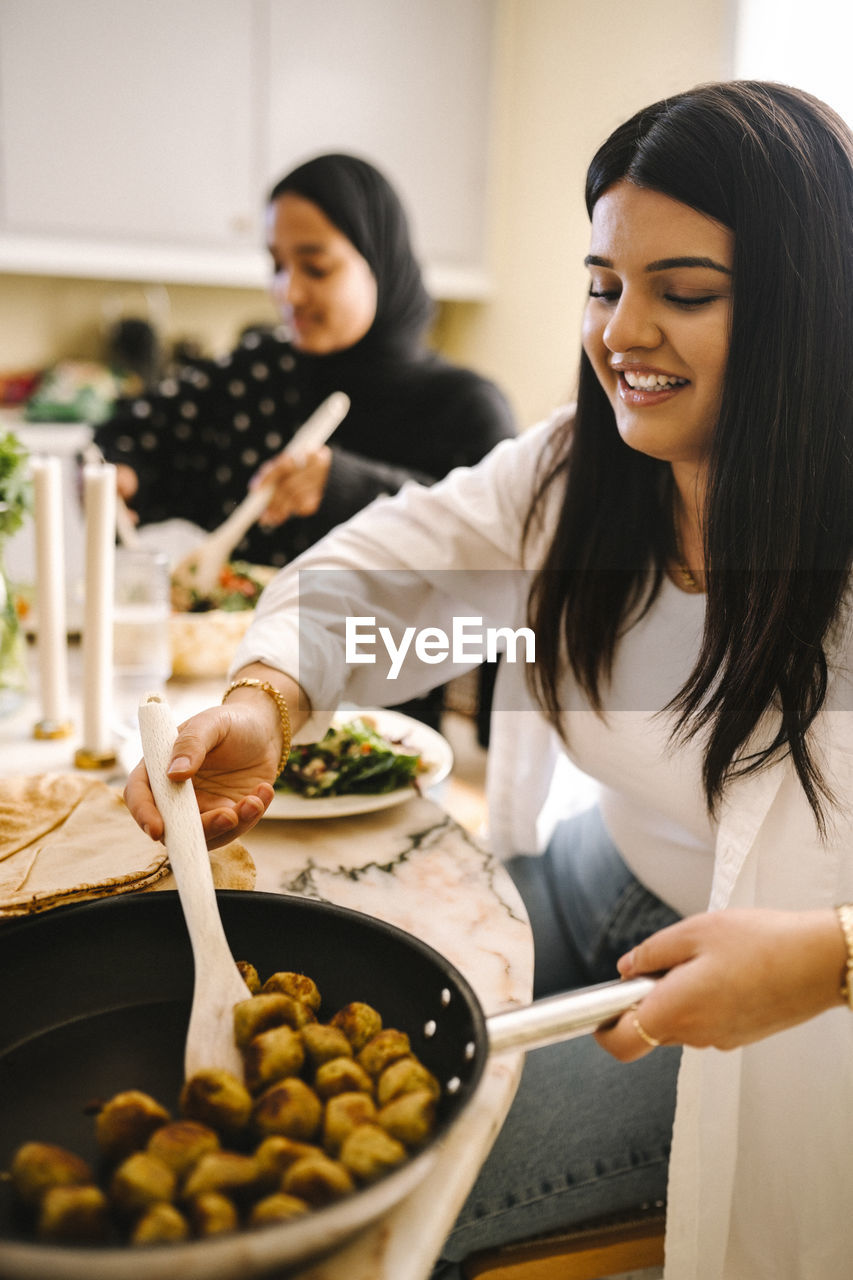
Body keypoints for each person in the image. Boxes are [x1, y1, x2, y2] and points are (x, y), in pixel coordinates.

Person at [125, 81, 853, 1279]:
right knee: (288, 1052)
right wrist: (266, 700)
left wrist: (827, 956)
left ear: (812, 308)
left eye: (685, 294)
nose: (622, 332)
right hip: (588, 885)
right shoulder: (580, 472)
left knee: (374, 1204)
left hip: (783, 1010)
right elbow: (371, 567)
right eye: (604, 284)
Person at [94, 153, 516, 571]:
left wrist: (350, 488)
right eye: (277, 265)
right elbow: (131, 436)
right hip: (237, 636)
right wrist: (119, 480)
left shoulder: (465, 409)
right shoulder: (256, 374)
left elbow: (496, 555)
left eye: (316, 268)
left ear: (381, 263)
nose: (286, 292)